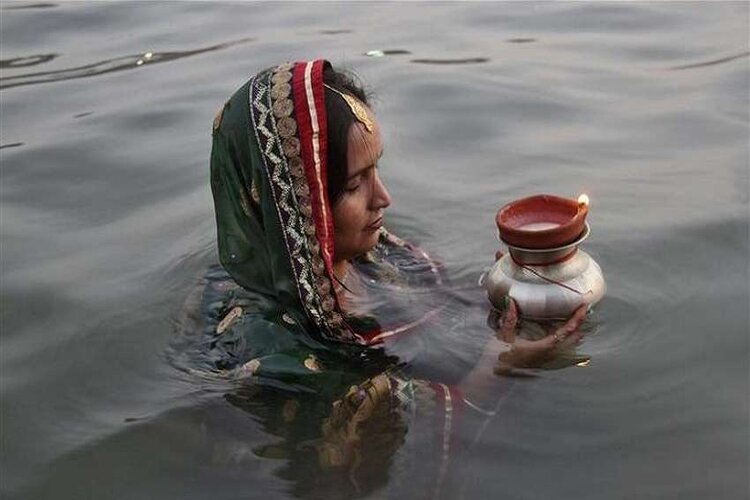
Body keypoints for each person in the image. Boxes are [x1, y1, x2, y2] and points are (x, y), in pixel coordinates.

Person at [182, 59, 586, 497]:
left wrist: (503, 292)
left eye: (377, 170)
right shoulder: (259, 338)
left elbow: (440, 325)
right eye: (356, 185)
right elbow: (341, 444)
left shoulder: (375, 257)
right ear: (298, 207)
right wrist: (494, 372)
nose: (384, 198)